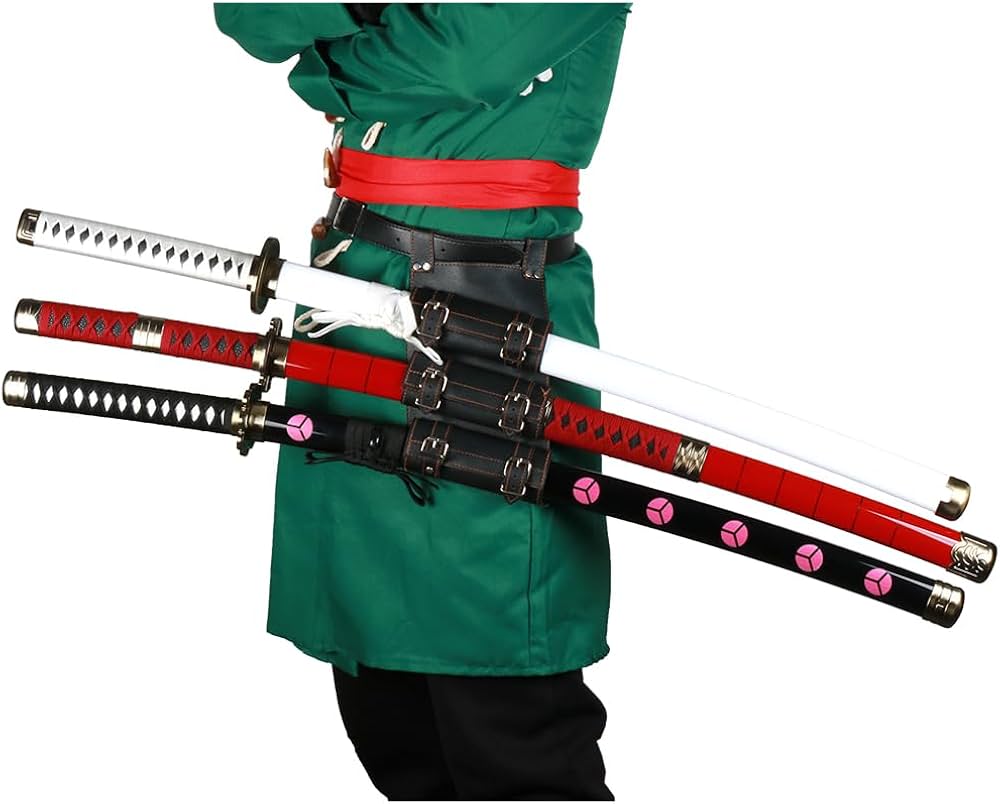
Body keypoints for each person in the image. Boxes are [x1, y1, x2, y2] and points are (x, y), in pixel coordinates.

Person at [216, 4, 631, 799]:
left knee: (506, 716)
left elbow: (467, 62)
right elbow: (251, 17)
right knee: (387, 716)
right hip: (351, 297)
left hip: (492, 307)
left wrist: (332, 54)